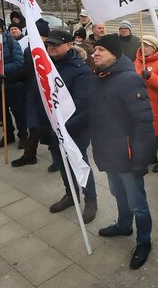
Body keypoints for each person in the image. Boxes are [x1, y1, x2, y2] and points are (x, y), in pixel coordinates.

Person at [89, 34, 156, 270]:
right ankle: (124, 225)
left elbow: (144, 123)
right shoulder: (100, 77)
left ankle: (144, 242)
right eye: (94, 49)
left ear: (115, 55)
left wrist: (141, 159)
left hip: (128, 156)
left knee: (138, 203)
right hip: (109, 153)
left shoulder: (129, 80)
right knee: (118, 194)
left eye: (101, 50)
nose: (95, 53)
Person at [30, 29, 98, 223]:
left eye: (56, 45)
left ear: (69, 46)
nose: (51, 47)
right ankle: (71, 195)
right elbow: (35, 96)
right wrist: (35, 123)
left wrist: (64, 128)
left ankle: (91, 200)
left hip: (74, 131)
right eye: (49, 44)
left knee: (80, 165)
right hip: (51, 130)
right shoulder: (45, 67)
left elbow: (83, 105)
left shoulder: (80, 70)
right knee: (61, 164)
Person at [11, 18, 52, 169]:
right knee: (34, 127)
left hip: (49, 96)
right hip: (33, 94)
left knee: (51, 130)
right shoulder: (29, 50)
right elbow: (26, 72)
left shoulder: (52, 51)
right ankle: (29, 155)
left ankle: (58, 159)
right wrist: (9, 78)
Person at [0, 17, 26, 148]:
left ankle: (23, 136)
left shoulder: (10, 42)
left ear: (2, 28)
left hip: (11, 83)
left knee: (18, 111)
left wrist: (0, 69)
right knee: (1, 112)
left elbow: (19, 63)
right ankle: (8, 135)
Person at [134, 35, 158, 173]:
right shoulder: (138, 60)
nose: (143, 48)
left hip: (157, 103)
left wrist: (150, 77)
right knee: (145, 132)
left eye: (147, 46)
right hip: (141, 102)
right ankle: (151, 156)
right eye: (142, 45)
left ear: (154, 48)